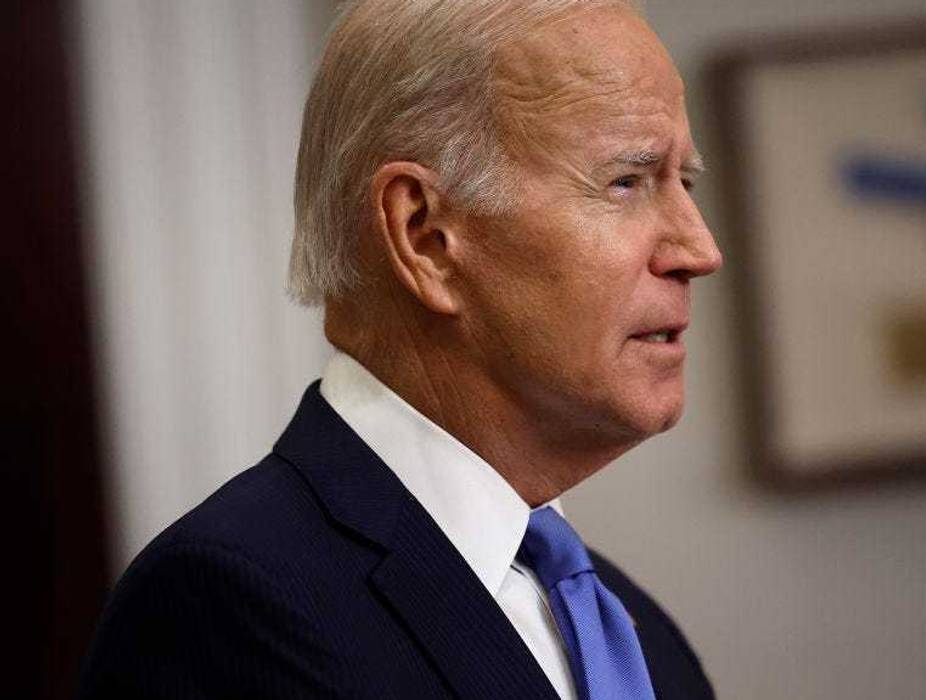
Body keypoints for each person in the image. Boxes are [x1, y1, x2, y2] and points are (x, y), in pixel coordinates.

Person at [78, 0, 722, 698]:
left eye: (682, 183)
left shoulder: (642, 640)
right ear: (424, 235)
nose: (699, 250)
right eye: (626, 182)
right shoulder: (225, 612)